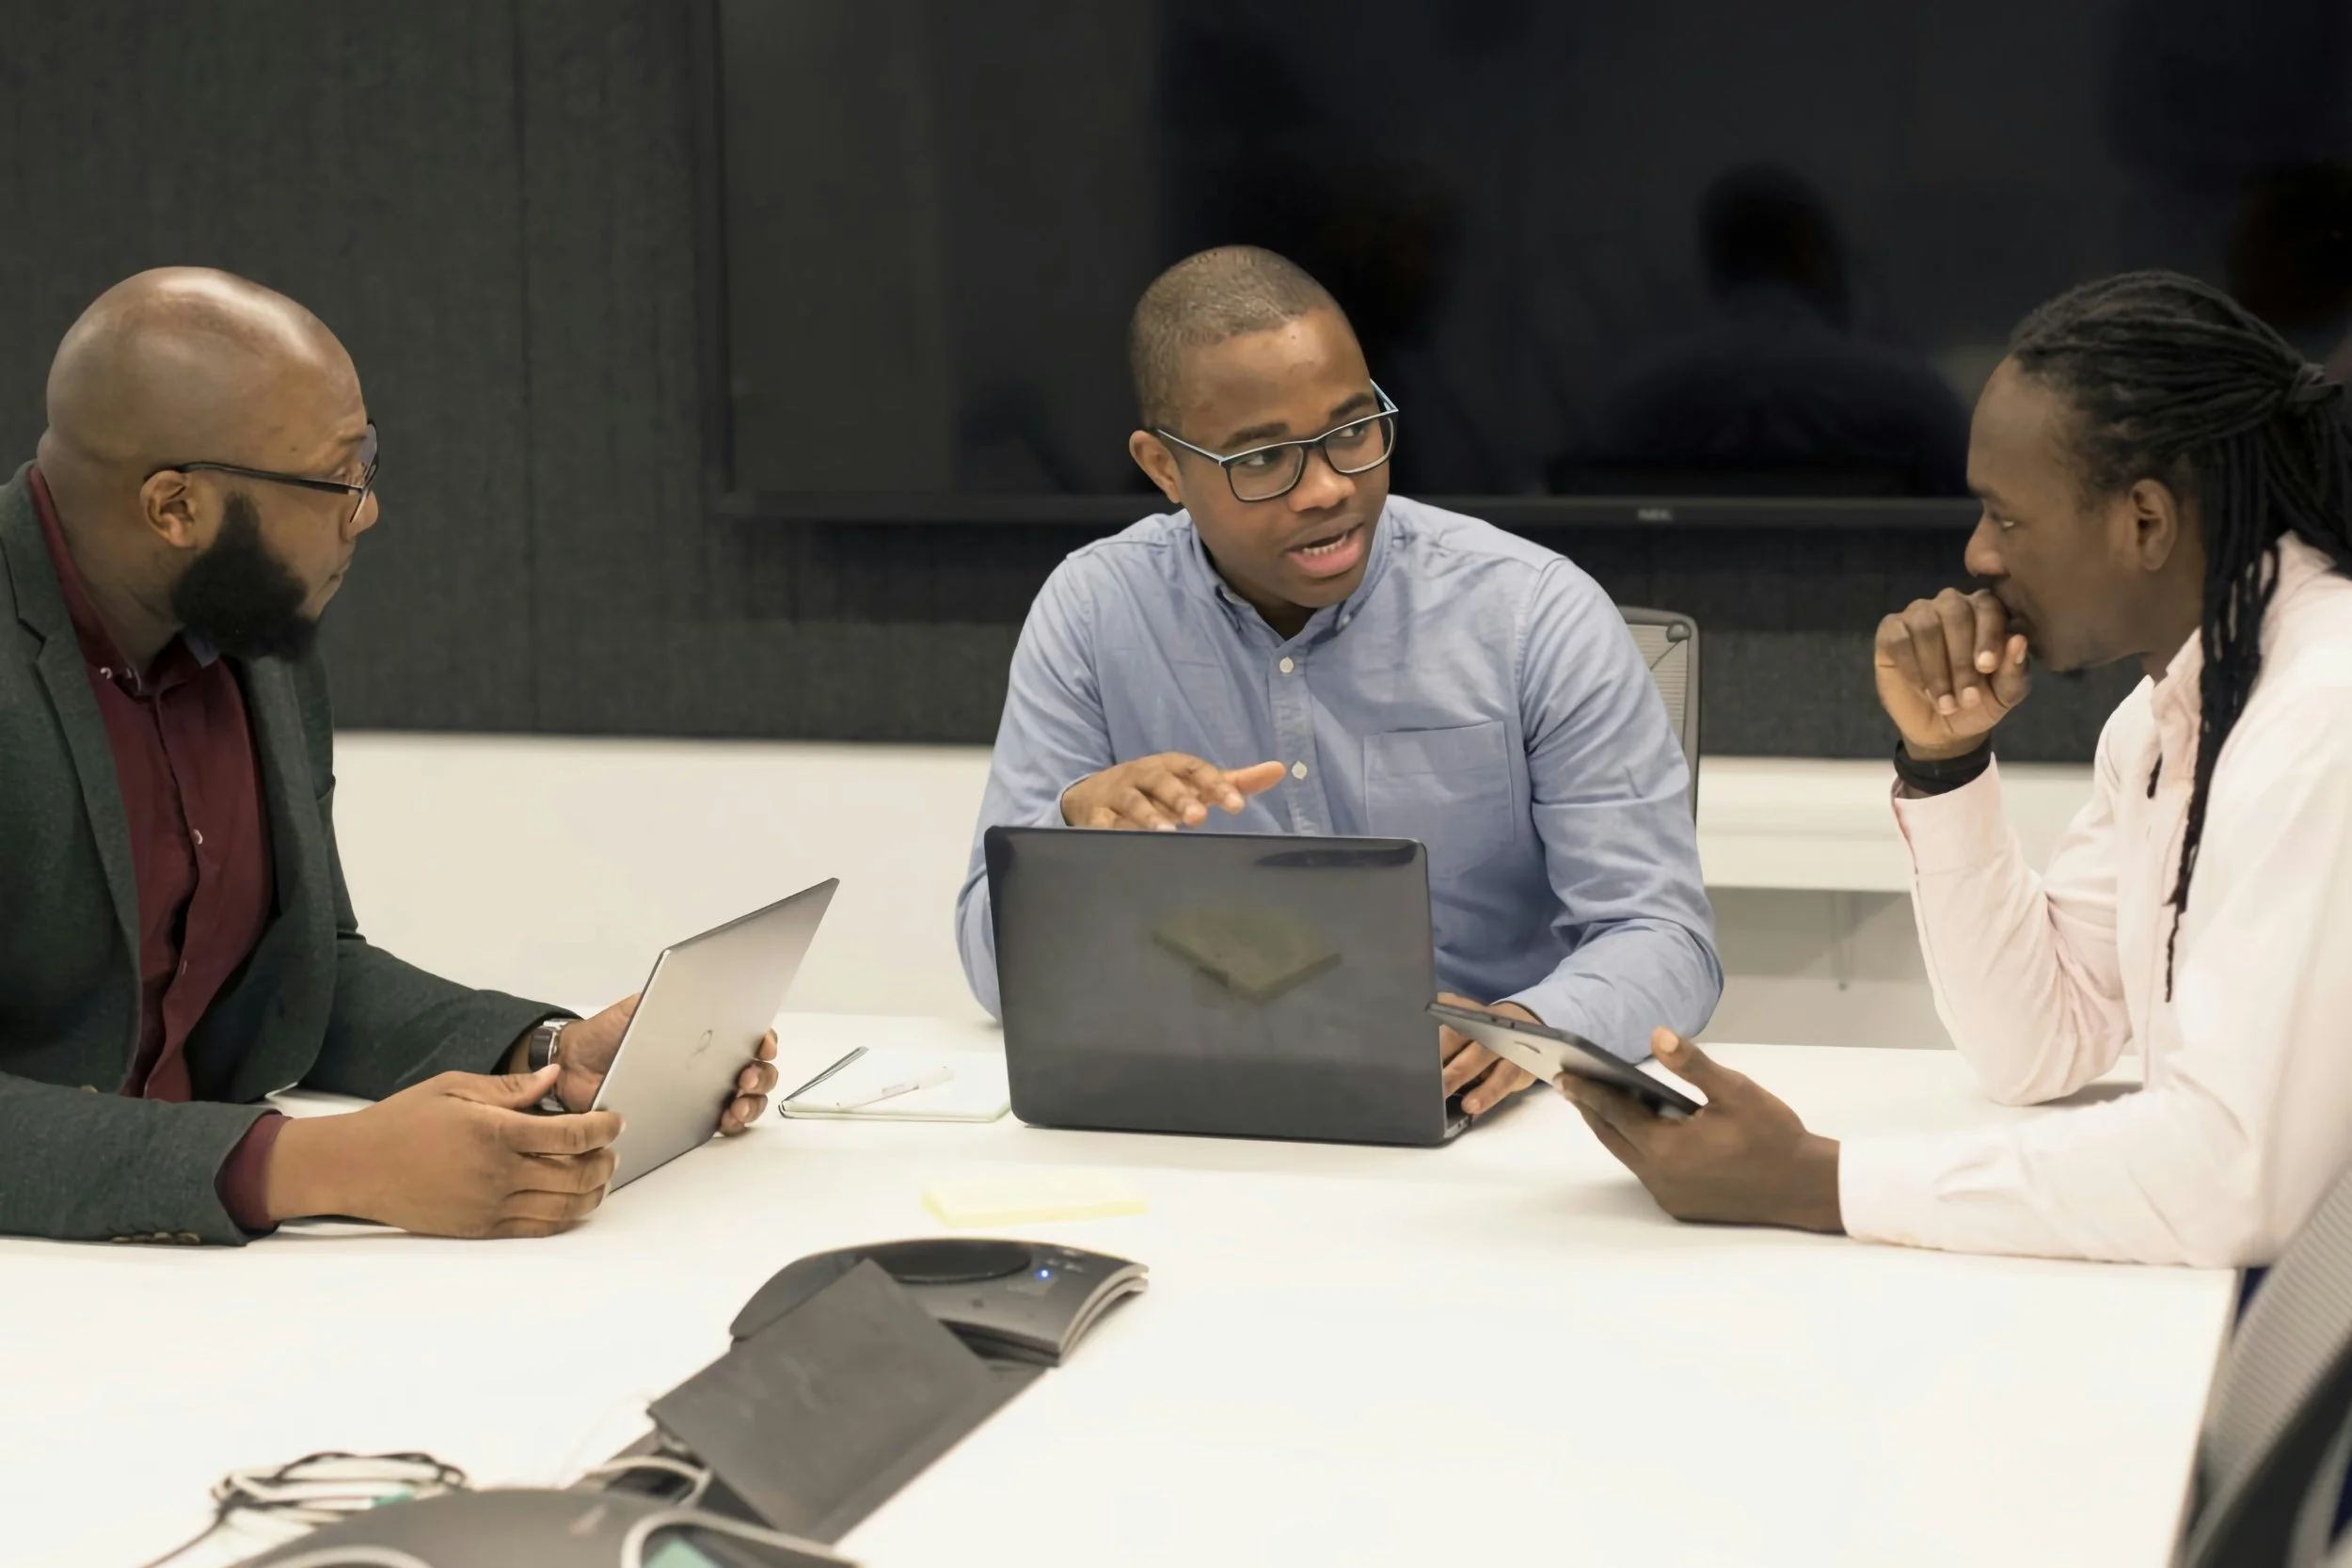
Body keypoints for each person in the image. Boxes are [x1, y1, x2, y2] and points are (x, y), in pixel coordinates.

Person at [1560, 271, 2352, 1267]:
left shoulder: (2322, 717)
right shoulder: (2161, 718)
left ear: (2143, 522)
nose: (1977, 554)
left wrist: (1812, 1179)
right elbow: (2038, 1045)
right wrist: (1946, 767)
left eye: (2006, 516)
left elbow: (2232, 1177)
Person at [0, 269, 780, 1245]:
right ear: (174, 508)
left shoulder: (240, 627)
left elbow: (298, 974)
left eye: (366, 461)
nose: (364, 512)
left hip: (186, 1288)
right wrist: (315, 1163)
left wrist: (545, 1055)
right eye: (338, 479)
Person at [954, 245, 1721, 1114]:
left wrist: (1520, 1031)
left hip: (1490, 1115)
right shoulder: (1093, 611)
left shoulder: (1534, 613)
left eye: (1353, 431)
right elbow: (992, 971)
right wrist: (1071, 837)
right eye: (1261, 460)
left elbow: (1664, 938)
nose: (1326, 489)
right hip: (1203, 1104)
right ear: (1164, 468)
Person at [1567, 164, 1970, 499]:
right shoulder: (1912, 396)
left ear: (1715, 265)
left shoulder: (1632, 401)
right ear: (1815, 257)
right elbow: (1966, 518)